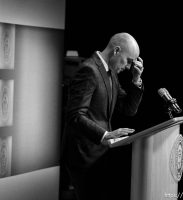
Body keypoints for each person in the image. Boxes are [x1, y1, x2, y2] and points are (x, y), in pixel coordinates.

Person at [61, 32, 144, 200]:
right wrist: (105, 135)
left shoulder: (111, 72)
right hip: (83, 155)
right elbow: (75, 115)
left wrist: (136, 81)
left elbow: (128, 109)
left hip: (101, 153)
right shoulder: (89, 70)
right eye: (128, 61)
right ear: (116, 50)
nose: (128, 67)